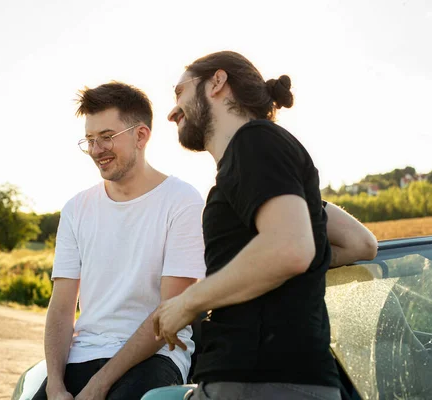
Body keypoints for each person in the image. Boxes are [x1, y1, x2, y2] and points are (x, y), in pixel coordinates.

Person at [152, 51, 378, 400]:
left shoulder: (254, 141)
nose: (172, 111)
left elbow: (289, 247)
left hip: (258, 381)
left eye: (179, 92)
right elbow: (359, 243)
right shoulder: (258, 159)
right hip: (284, 380)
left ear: (217, 82)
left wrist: (187, 304)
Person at [39, 82, 206, 400]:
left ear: (141, 135)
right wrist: (55, 386)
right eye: (89, 140)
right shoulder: (77, 209)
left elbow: (169, 312)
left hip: (156, 358)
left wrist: (99, 385)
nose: (96, 149)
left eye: (106, 137)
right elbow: (61, 308)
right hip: (83, 355)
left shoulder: (182, 201)